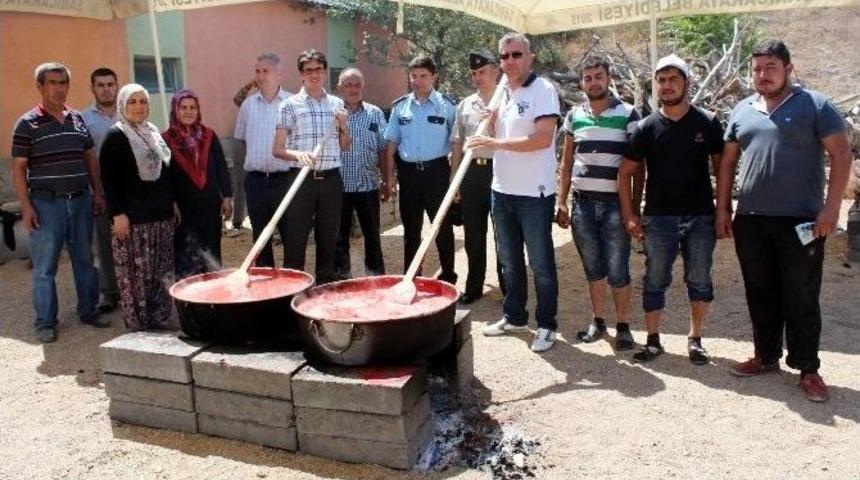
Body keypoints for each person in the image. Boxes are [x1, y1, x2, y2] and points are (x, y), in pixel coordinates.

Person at [716, 40, 851, 402]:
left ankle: (808, 368)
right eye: (757, 69)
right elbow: (727, 163)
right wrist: (723, 209)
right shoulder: (742, 110)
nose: (763, 75)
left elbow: (841, 154)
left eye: (771, 67)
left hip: (802, 220)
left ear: (788, 69)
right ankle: (765, 356)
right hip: (751, 219)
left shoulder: (815, 105)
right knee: (759, 290)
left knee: (801, 293)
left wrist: (831, 210)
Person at [618, 54, 724, 364]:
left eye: (673, 79)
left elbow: (723, 169)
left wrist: (723, 211)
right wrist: (630, 215)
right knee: (655, 279)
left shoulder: (707, 122)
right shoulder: (646, 127)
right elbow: (625, 173)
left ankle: (695, 339)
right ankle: (653, 341)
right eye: (661, 80)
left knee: (700, 279)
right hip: (659, 217)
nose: (667, 85)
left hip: (701, 216)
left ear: (686, 83)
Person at [468, 33, 561, 352]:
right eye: (504, 56)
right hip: (502, 189)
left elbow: (542, 139)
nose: (510, 61)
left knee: (541, 263)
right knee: (509, 261)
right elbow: (505, 135)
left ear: (530, 57)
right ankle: (515, 316)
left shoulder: (543, 90)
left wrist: (494, 143)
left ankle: (547, 325)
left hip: (534, 193)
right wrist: (492, 123)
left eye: (516, 55)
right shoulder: (502, 92)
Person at [11, 62, 109, 343]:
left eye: (63, 83)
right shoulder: (27, 123)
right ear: (40, 86)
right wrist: (26, 207)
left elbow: (89, 158)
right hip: (46, 205)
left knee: (85, 260)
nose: (59, 88)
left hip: (80, 201)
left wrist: (97, 193)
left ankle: (88, 310)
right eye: (52, 83)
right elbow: (18, 169)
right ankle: (45, 321)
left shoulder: (77, 119)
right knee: (45, 268)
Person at [556, 55, 642, 351]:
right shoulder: (574, 116)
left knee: (618, 268)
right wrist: (562, 202)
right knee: (593, 267)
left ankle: (624, 326)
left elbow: (638, 166)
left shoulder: (628, 114)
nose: (593, 82)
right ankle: (598, 321)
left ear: (609, 79)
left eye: (598, 76)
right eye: (588, 78)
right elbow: (567, 163)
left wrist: (633, 209)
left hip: (615, 205)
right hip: (582, 205)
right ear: (582, 83)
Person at [100, 84, 176, 331]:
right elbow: (109, 180)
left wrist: (172, 203)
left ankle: (159, 316)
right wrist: (117, 214)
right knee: (135, 275)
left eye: (143, 101)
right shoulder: (116, 136)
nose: (138, 107)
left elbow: (166, 173)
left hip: (160, 216)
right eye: (132, 102)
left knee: (159, 270)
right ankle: (139, 324)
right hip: (132, 220)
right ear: (122, 105)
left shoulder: (153, 133)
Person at [273, 49, 350, 284]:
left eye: (318, 69)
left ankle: (322, 291)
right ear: (301, 74)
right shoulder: (289, 105)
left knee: (328, 241)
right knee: (295, 241)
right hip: (301, 180)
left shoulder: (337, 104)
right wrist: (298, 154)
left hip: (331, 181)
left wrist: (343, 125)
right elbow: (278, 149)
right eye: (308, 70)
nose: (314, 74)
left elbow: (345, 146)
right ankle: (293, 290)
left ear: (325, 72)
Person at [383, 54, 457, 285]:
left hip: (437, 173)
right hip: (409, 175)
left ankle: (448, 275)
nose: (417, 81)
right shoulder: (400, 107)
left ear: (434, 77)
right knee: (411, 230)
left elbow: (457, 144)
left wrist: (454, 179)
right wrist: (389, 177)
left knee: (442, 226)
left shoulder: (447, 106)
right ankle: (412, 276)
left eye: (423, 76)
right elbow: (391, 144)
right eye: (413, 76)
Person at [451, 50, 506, 305]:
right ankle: (473, 286)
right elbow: (457, 144)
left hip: (499, 171)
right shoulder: (465, 105)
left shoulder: (507, 101)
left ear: (495, 70)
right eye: (473, 73)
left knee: (503, 234)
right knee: (473, 234)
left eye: (482, 72)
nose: (477, 77)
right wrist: (455, 181)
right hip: (471, 173)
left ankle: (508, 288)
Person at [163, 88, 233, 279]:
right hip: (183, 209)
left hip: (210, 206)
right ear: (175, 110)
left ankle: (213, 291)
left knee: (211, 251)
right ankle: (189, 294)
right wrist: (171, 202)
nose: (188, 111)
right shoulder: (166, 140)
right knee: (186, 254)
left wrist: (227, 196)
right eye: (183, 107)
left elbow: (221, 167)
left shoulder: (209, 135)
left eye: (192, 107)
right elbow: (164, 177)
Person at [234, 52, 292, 267]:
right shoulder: (248, 106)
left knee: (291, 236)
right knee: (260, 239)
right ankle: (266, 282)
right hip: (256, 182)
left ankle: (292, 283)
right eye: (257, 71)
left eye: (265, 71)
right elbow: (241, 140)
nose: (260, 76)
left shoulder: (293, 103)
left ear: (279, 75)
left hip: (285, 180)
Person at [334, 68, 387, 278]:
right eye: (348, 85)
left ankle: (376, 278)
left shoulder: (375, 113)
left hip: (368, 185)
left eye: (357, 85)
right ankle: (342, 280)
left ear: (363, 86)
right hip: (339, 187)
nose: (353, 89)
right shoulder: (333, 114)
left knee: (372, 236)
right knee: (339, 238)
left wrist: (387, 180)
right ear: (340, 87)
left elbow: (383, 148)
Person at [81, 67, 121, 312]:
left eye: (110, 84)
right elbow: (84, 159)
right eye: (101, 85)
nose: (106, 89)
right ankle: (109, 292)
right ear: (93, 88)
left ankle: (132, 288)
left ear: (117, 86)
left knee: (129, 242)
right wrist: (96, 192)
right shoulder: (83, 119)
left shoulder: (129, 112)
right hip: (100, 193)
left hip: (128, 193)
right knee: (104, 244)